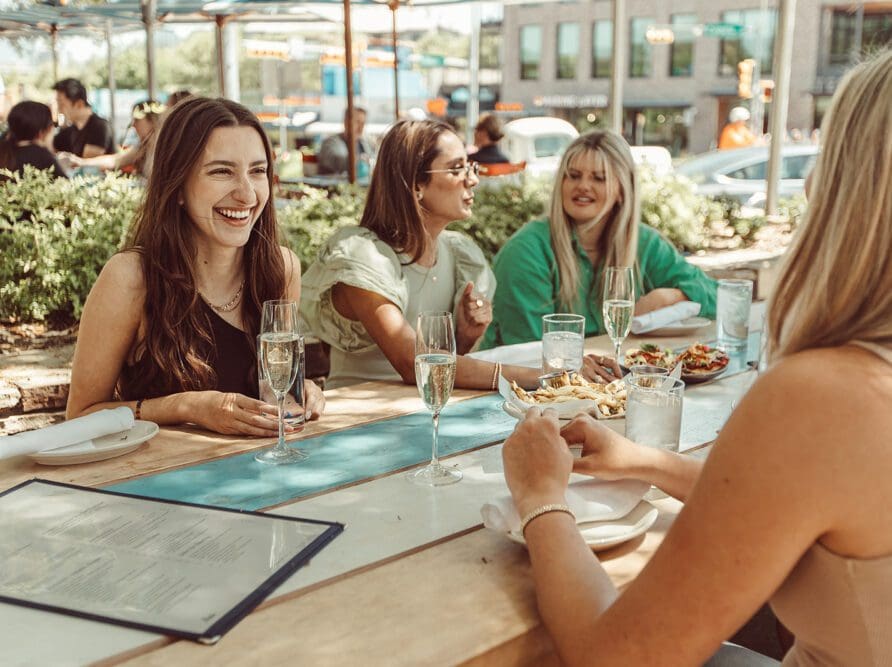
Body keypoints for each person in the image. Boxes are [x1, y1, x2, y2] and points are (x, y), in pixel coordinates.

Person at [500, 50, 892, 665]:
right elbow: (794, 500)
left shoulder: (831, 393)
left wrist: (538, 496)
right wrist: (650, 462)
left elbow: (614, 656)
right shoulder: (531, 249)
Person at [67, 97, 324, 436]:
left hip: (261, 475)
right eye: (222, 171)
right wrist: (186, 406)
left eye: (258, 171)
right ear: (177, 187)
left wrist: (299, 391)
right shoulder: (131, 277)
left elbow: (273, 391)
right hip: (150, 482)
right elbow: (79, 417)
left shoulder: (281, 268)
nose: (247, 194)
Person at [300, 119, 541, 390]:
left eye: (469, 166)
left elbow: (442, 371)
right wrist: (542, 377)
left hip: (428, 413)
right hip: (362, 423)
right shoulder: (365, 257)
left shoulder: (458, 253)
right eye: (456, 169)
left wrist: (463, 335)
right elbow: (415, 364)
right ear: (416, 184)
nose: (473, 179)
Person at [481, 129, 716, 351]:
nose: (583, 186)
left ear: (622, 190)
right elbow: (534, 354)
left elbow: (716, 297)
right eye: (573, 176)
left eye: (599, 178)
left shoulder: (645, 243)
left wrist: (671, 297)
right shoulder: (526, 251)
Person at [62, 100, 163, 178]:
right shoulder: (142, 147)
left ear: (152, 120)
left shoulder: (165, 146)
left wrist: (81, 162)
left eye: (137, 119)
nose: (133, 125)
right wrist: (80, 162)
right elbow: (115, 160)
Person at [0, 101, 67, 179]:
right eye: (51, 125)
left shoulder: (4, 148)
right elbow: (67, 187)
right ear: (41, 132)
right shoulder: (41, 155)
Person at [52, 78, 116, 158]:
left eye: (62, 105)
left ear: (79, 104)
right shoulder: (71, 130)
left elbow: (88, 164)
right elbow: (48, 146)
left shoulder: (100, 126)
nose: (59, 110)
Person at [316, 106, 374, 177]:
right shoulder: (330, 143)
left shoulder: (364, 144)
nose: (361, 127)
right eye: (357, 122)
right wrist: (360, 160)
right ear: (346, 122)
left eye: (363, 123)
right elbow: (338, 162)